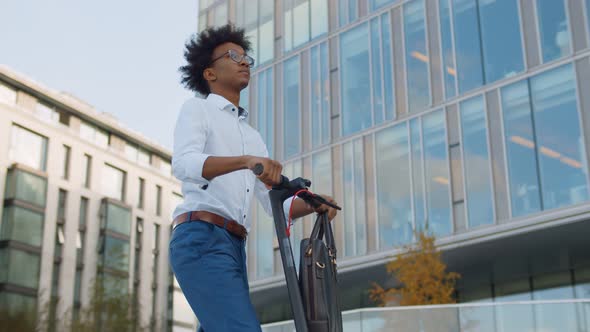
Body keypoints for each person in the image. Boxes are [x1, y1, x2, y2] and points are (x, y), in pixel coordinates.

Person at [170, 24, 338, 332]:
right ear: (209, 73)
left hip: (234, 246)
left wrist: (315, 204)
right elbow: (184, 164)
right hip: (201, 238)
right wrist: (246, 161)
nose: (245, 61)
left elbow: (273, 203)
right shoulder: (198, 110)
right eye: (234, 56)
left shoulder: (252, 136)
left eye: (246, 56)